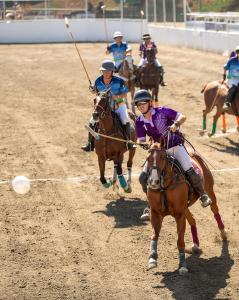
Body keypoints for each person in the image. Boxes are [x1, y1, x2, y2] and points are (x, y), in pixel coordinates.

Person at [134, 89, 212, 220]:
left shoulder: (163, 111)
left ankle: (203, 194)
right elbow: (141, 139)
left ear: (149, 103)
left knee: (188, 169)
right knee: (143, 177)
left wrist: (176, 124)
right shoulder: (139, 121)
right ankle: (149, 204)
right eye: (138, 105)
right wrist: (141, 143)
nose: (141, 107)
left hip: (175, 147)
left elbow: (182, 117)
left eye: (143, 103)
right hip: (158, 152)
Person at [81, 59, 134, 152]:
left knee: (125, 119)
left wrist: (116, 96)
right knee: (92, 121)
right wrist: (92, 90)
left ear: (112, 71)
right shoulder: (98, 80)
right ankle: (90, 143)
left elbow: (125, 94)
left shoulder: (119, 81)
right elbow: (95, 92)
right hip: (103, 107)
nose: (106, 73)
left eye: (108, 71)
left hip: (118, 104)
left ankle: (128, 142)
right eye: (104, 71)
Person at [223, 45, 239, 110]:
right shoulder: (232, 60)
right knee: (234, 87)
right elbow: (225, 67)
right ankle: (227, 103)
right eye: (238, 52)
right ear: (236, 53)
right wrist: (224, 76)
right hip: (232, 79)